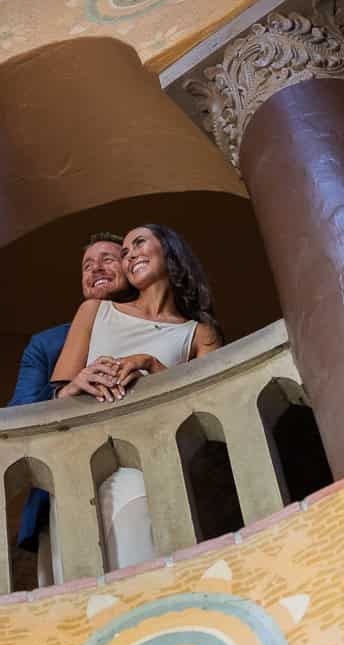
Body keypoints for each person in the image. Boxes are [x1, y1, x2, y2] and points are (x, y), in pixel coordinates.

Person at [46, 224, 220, 574]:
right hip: (84, 462)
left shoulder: (199, 334)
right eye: (124, 252)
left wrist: (152, 365)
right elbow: (55, 400)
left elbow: (211, 410)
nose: (131, 255)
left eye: (139, 243)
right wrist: (77, 383)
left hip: (152, 464)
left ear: (168, 250)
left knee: (145, 571)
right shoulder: (95, 311)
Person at [6, 232, 130, 571]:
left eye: (108, 259)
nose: (96, 269)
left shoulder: (161, 324)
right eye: (87, 266)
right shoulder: (47, 343)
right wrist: (65, 392)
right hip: (63, 490)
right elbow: (17, 415)